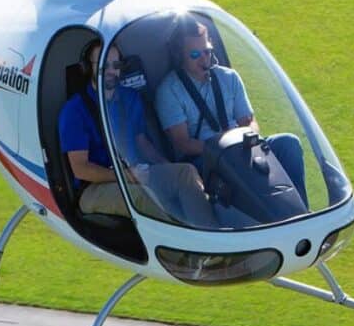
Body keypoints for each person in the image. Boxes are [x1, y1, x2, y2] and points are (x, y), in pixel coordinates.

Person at [59, 40, 219, 228]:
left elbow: (142, 143)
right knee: (142, 197)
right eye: (103, 66)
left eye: (116, 65)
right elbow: (80, 169)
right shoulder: (74, 110)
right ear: (87, 68)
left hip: (135, 174)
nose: (111, 71)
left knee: (186, 173)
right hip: (94, 187)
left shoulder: (130, 98)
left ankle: (210, 236)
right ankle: (181, 244)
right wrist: (125, 176)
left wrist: (169, 168)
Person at [155, 16, 308, 205]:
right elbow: (182, 143)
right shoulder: (169, 91)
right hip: (205, 158)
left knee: (288, 143)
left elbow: (249, 121)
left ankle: (301, 208)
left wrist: (248, 138)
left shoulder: (229, 77)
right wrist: (222, 152)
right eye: (195, 55)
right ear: (180, 57)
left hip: (241, 148)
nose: (204, 59)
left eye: (207, 51)